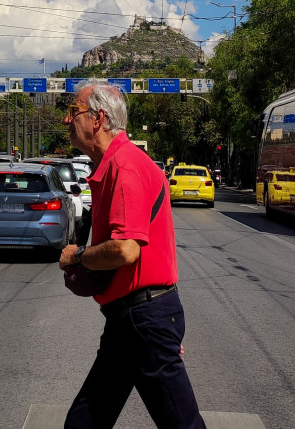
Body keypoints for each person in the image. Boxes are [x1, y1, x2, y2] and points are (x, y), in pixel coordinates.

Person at [58, 80, 205, 429]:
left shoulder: (126, 166)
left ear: (98, 118)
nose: (67, 121)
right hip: (132, 321)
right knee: (83, 423)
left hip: (144, 319)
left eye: (72, 111)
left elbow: (126, 250)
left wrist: (79, 255)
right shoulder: (114, 165)